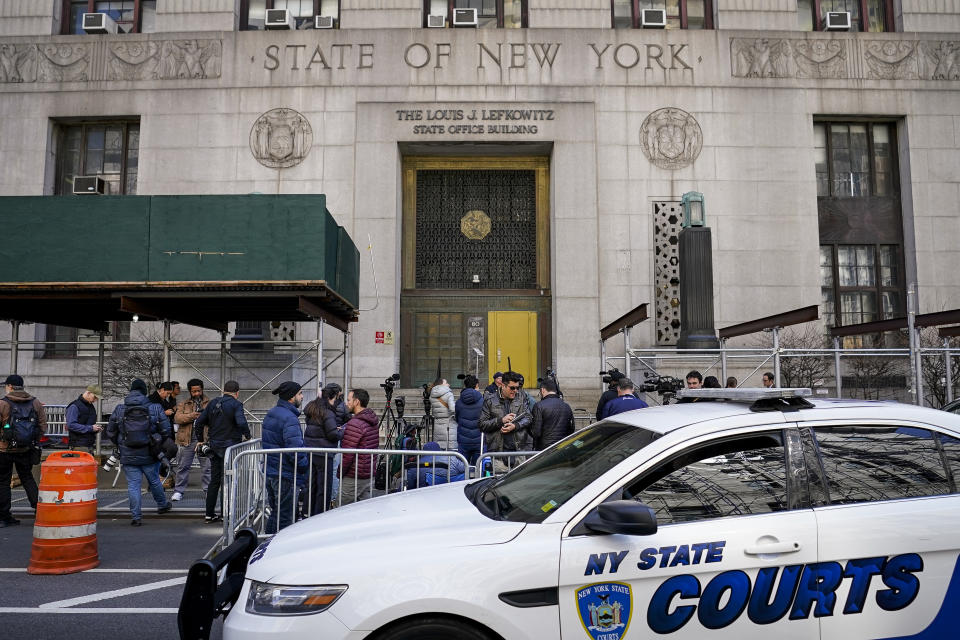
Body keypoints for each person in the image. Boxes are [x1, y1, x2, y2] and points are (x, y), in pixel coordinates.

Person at [105, 379, 172, 526]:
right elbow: (166, 430)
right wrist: (156, 441)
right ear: (144, 392)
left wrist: (120, 443)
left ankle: (136, 516)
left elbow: (110, 431)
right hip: (149, 452)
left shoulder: (119, 409)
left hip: (128, 453)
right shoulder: (155, 408)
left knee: (133, 485)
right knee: (154, 480)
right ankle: (162, 505)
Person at [194, 380, 249, 524]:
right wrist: (248, 436)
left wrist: (200, 440)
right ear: (237, 393)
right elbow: (241, 423)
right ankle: (226, 514)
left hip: (214, 447)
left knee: (215, 481)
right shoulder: (236, 405)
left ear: (224, 391)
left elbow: (199, 422)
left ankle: (209, 514)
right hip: (230, 448)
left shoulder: (212, 403)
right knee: (228, 481)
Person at [0, 375, 46, 528]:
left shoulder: (3, 403)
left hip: (4, 449)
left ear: (10, 386)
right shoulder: (35, 402)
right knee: (27, 478)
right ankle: (40, 512)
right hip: (26, 449)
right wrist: (32, 441)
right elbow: (42, 425)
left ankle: (4, 517)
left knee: (3, 482)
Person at [262, 381, 307, 534]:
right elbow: (295, 450)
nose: (302, 397)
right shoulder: (289, 418)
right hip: (284, 474)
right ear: (291, 397)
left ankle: (267, 544)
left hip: (274, 471)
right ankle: (275, 550)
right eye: (300, 393)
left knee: (277, 513)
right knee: (285, 517)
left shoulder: (273, 413)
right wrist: (304, 466)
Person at [478, 372, 532, 472]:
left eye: (517, 387)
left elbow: (528, 417)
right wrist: (500, 420)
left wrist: (515, 426)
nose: (515, 391)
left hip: (519, 453)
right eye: (512, 388)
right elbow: (482, 424)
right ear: (503, 385)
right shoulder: (490, 400)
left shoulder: (521, 396)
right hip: (498, 454)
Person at [302, 385, 342, 515]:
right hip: (324, 453)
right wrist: (342, 432)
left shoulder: (312, 408)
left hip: (311, 450)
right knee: (324, 487)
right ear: (333, 397)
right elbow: (332, 434)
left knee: (312, 485)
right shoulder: (327, 412)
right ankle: (320, 515)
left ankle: (307, 513)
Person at [171, 379, 211, 502]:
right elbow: (177, 418)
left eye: (198, 390)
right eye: (194, 391)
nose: (196, 393)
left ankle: (208, 490)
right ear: (190, 391)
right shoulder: (184, 403)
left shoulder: (209, 403)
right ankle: (178, 491)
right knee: (183, 466)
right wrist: (192, 416)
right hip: (187, 439)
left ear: (202, 389)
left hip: (204, 438)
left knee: (207, 467)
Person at [339, 389, 379, 505]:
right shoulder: (372, 420)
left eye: (348, 400)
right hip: (368, 473)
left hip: (354, 475)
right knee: (364, 511)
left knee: (340, 510)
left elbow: (348, 454)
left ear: (356, 402)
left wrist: (340, 472)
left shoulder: (355, 423)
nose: (346, 403)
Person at [530, 378, 575, 450]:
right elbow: (571, 429)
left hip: (544, 449)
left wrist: (528, 428)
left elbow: (536, 432)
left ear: (543, 390)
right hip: (562, 447)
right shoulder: (566, 406)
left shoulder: (539, 406)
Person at [455, 375, 483, 465]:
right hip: (479, 439)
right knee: (478, 468)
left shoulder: (459, 402)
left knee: (461, 468)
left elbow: (457, 418)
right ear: (477, 385)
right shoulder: (483, 400)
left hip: (463, 440)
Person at [66, 384, 102, 454]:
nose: (96, 400)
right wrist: (91, 428)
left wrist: (95, 429)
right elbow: (71, 425)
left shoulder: (89, 406)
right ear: (88, 393)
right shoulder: (74, 406)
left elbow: (86, 424)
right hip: (79, 446)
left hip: (87, 445)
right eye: (95, 397)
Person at [428, 378, 456, 451]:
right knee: (450, 450)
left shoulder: (432, 395)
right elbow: (453, 409)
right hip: (448, 425)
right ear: (441, 384)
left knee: (439, 449)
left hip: (437, 424)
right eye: (446, 383)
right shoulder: (448, 394)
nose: (448, 384)